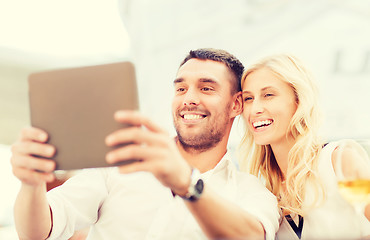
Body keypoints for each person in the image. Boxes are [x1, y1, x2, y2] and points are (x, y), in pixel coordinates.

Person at [11, 48, 280, 240]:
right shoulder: (116, 168)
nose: (189, 99)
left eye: (206, 88)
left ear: (235, 104)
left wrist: (187, 184)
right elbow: (37, 232)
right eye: (181, 88)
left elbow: (248, 235)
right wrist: (31, 185)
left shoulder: (251, 192)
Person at [238, 53, 370, 239]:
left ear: (299, 100)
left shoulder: (339, 160)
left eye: (268, 95)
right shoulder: (263, 189)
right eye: (248, 99)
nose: (255, 109)